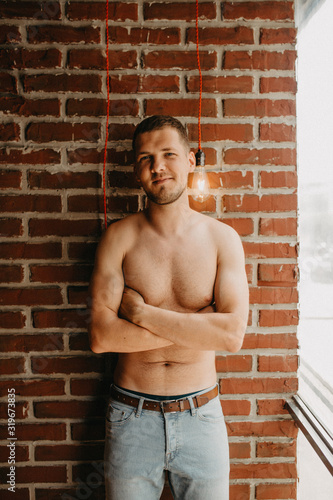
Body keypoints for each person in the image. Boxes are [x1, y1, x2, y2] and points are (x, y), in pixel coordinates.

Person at [89, 115, 249, 500]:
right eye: (145, 158)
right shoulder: (118, 238)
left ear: (192, 160)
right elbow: (101, 336)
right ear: (136, 170)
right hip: (131, 416)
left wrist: (143, 314)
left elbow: (230, 335)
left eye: (168, 154)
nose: (157, 166)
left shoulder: (222, 239)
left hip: (202, 416)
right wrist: (197, 325)